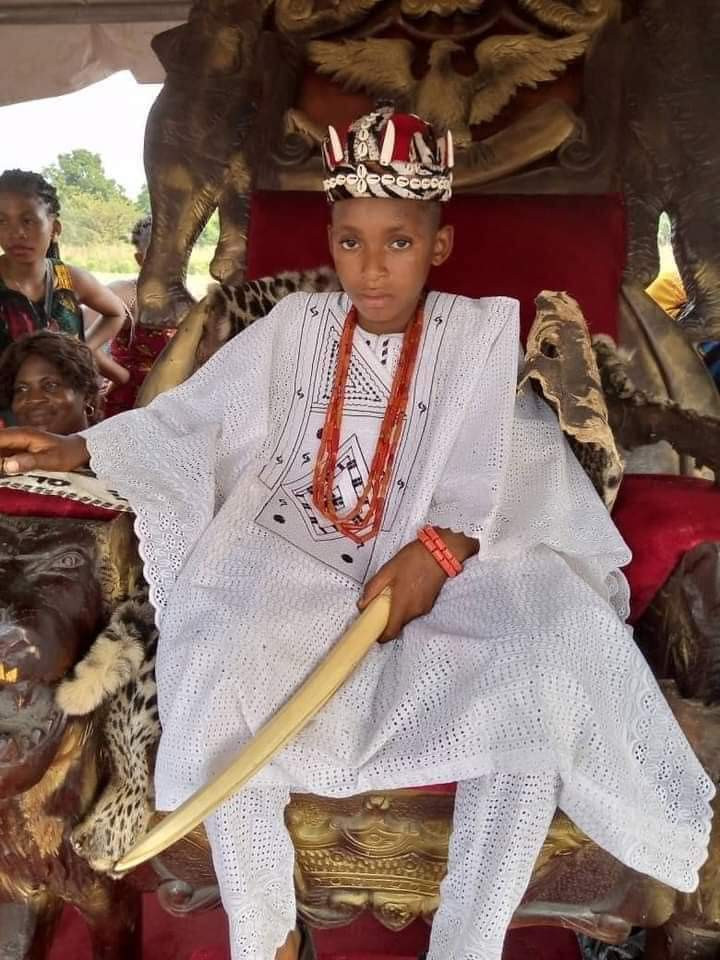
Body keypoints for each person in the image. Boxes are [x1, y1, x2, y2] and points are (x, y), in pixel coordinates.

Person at [0, 107, 713, 960]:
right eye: (350, 242)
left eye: (398, 243)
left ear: (437, 244)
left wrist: (441, 549)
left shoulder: (480, 330)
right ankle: (266, 936)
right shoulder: (297, 327)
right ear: (331, 240)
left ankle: (468, 936)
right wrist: (85, 442)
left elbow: (494, 465)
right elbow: (197, 417)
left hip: (462, 551)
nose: (371, 269)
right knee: (217, 649)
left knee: (545, 663)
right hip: (298, 541)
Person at [0, 169, 126, 382]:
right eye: (2, 222)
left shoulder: (69, 278)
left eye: (28, 220)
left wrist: (84, 350)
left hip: (64, 408)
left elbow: (116, 312)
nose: (16, 233)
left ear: (55, 229)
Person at [85, 214, 176, 418]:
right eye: (159, 253)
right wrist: (122, 376)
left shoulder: (188, 300)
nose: (171, 260)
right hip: (128, 404)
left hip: (171, 405)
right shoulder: (125, 294)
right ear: (140, 258)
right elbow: (83, 344)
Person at [0, 330, 100, 435]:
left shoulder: (113, 447)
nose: (34, 399)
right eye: (22, 389)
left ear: (87, 395)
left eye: (51, 385)